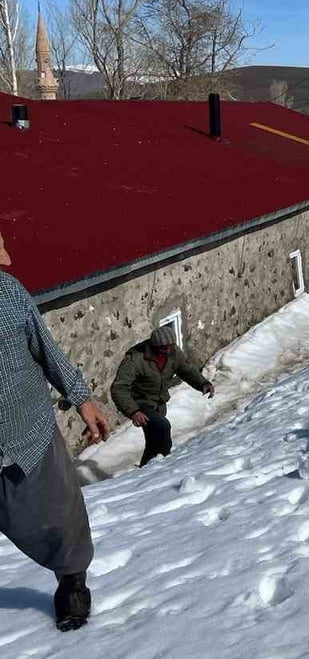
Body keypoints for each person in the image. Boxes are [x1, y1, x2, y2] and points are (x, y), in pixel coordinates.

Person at [0, 231, 113, 632]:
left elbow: (46, 350)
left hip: (29, 432)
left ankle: (72, 584)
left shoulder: (8, 293)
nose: (5, 260)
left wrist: (82, 399)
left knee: (60, 514)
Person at [110, 327, 214, 468]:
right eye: (164, 348)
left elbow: (185, 369)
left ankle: (146, 471)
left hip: (159, 403)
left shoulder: (173, 352)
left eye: (171, 347)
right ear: (155, 346)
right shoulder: (136, 359)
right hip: (140, 404)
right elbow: (119, 388)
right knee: (162, 428)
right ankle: (161, 468)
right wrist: (133, 411)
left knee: (155, 442)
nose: (168, 351)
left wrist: (203, 383)